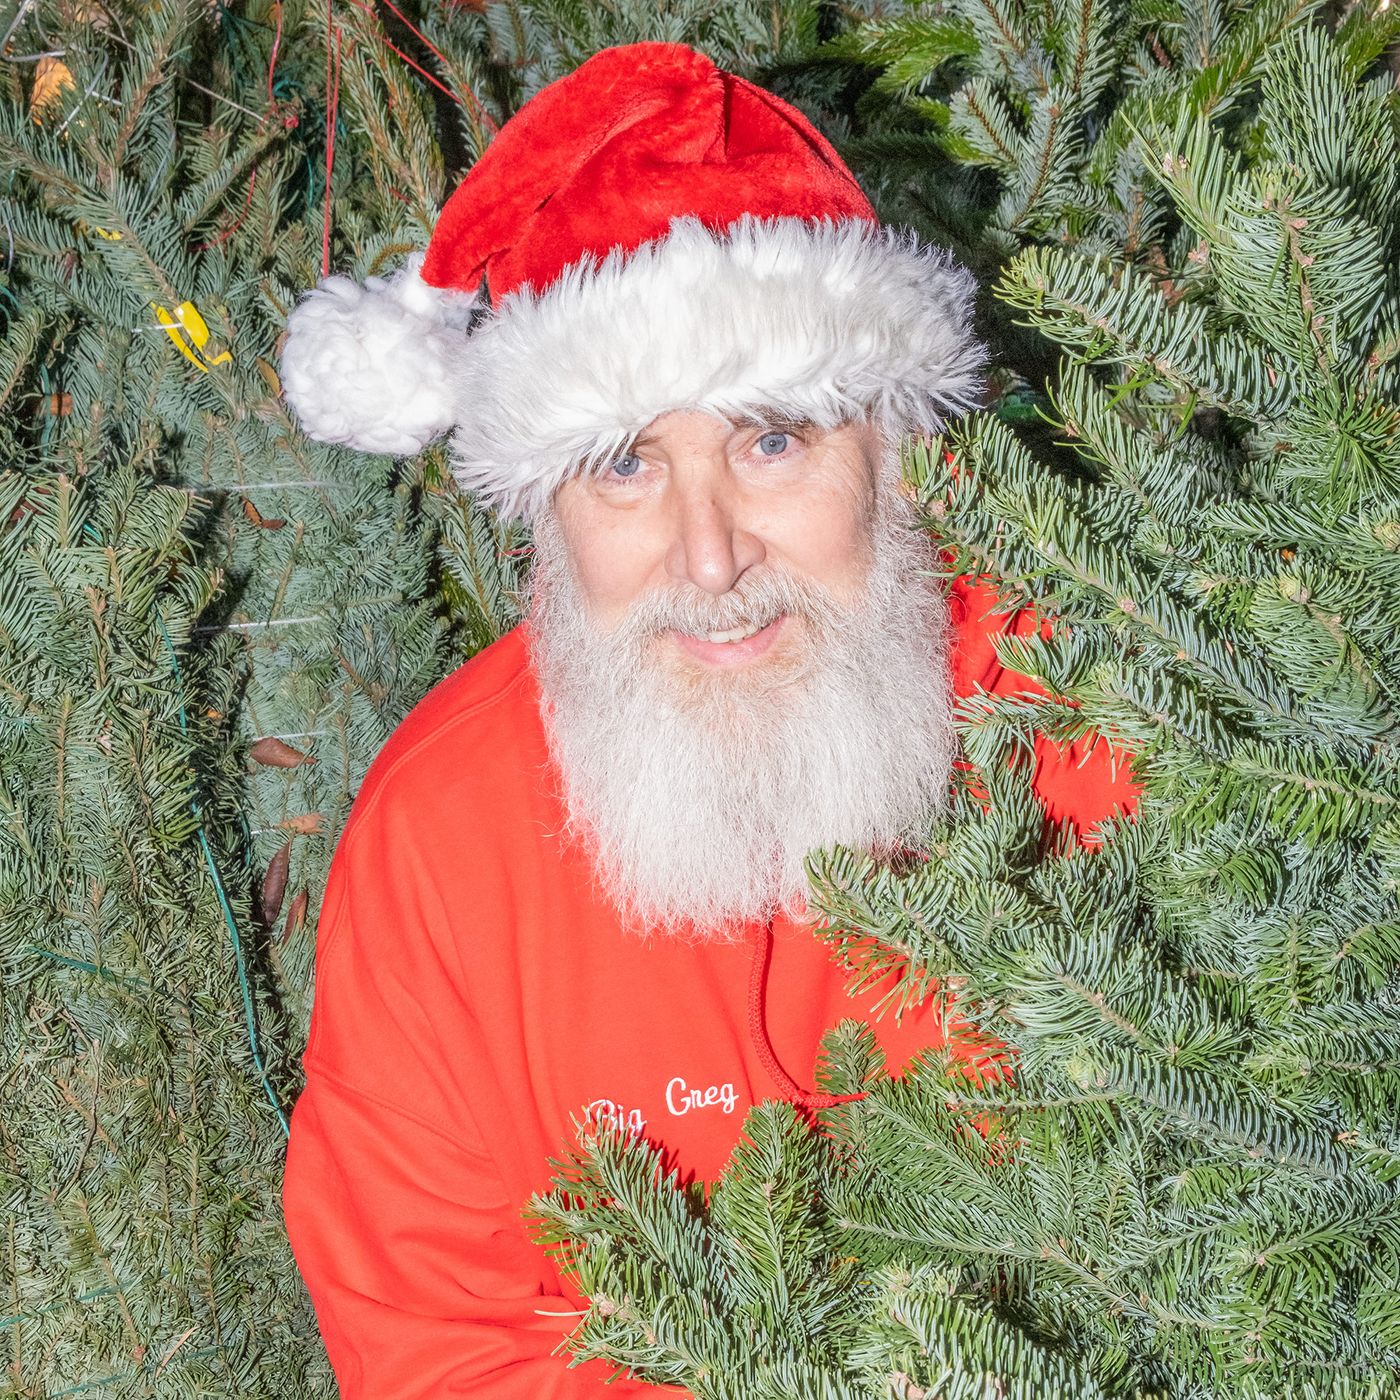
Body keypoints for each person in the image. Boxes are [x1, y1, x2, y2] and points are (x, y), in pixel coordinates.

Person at [278, 42, 1137, 1400]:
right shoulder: (439, 841)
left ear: (893, 455)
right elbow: (438, 1347)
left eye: (772, 441)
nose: (711, 557)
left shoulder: (1093, 708)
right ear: (549, 517)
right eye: (626, 467)